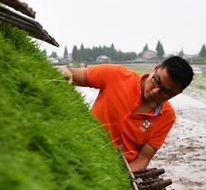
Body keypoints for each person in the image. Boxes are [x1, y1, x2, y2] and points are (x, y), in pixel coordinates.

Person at [59, 56, 193, 171]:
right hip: (85, 144)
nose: (155, 92)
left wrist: (119, 175)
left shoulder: (167, 117)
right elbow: (70, 74)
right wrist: (66, 73)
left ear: (177, 94)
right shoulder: (116, 75)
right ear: (156, 68)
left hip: (118, 165)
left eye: (166, 92)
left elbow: (142, 160)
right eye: (156, 81)